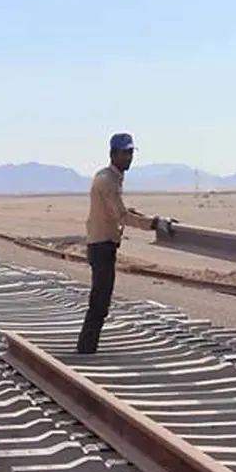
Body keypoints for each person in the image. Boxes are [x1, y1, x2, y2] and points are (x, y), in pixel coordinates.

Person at [76, 132, 165, 354]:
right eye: (124, 153)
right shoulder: (107, 181)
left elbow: (122, 210)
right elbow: (121, 215)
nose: (128, 158)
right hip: (102, 245)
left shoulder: (110, 177)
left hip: (103, 244)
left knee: (100, 298)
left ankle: (87, 346)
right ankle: (86, 349)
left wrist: (147, 218)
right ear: (112, 154)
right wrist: (151, 224)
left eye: (130, 153)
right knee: (100, 301)